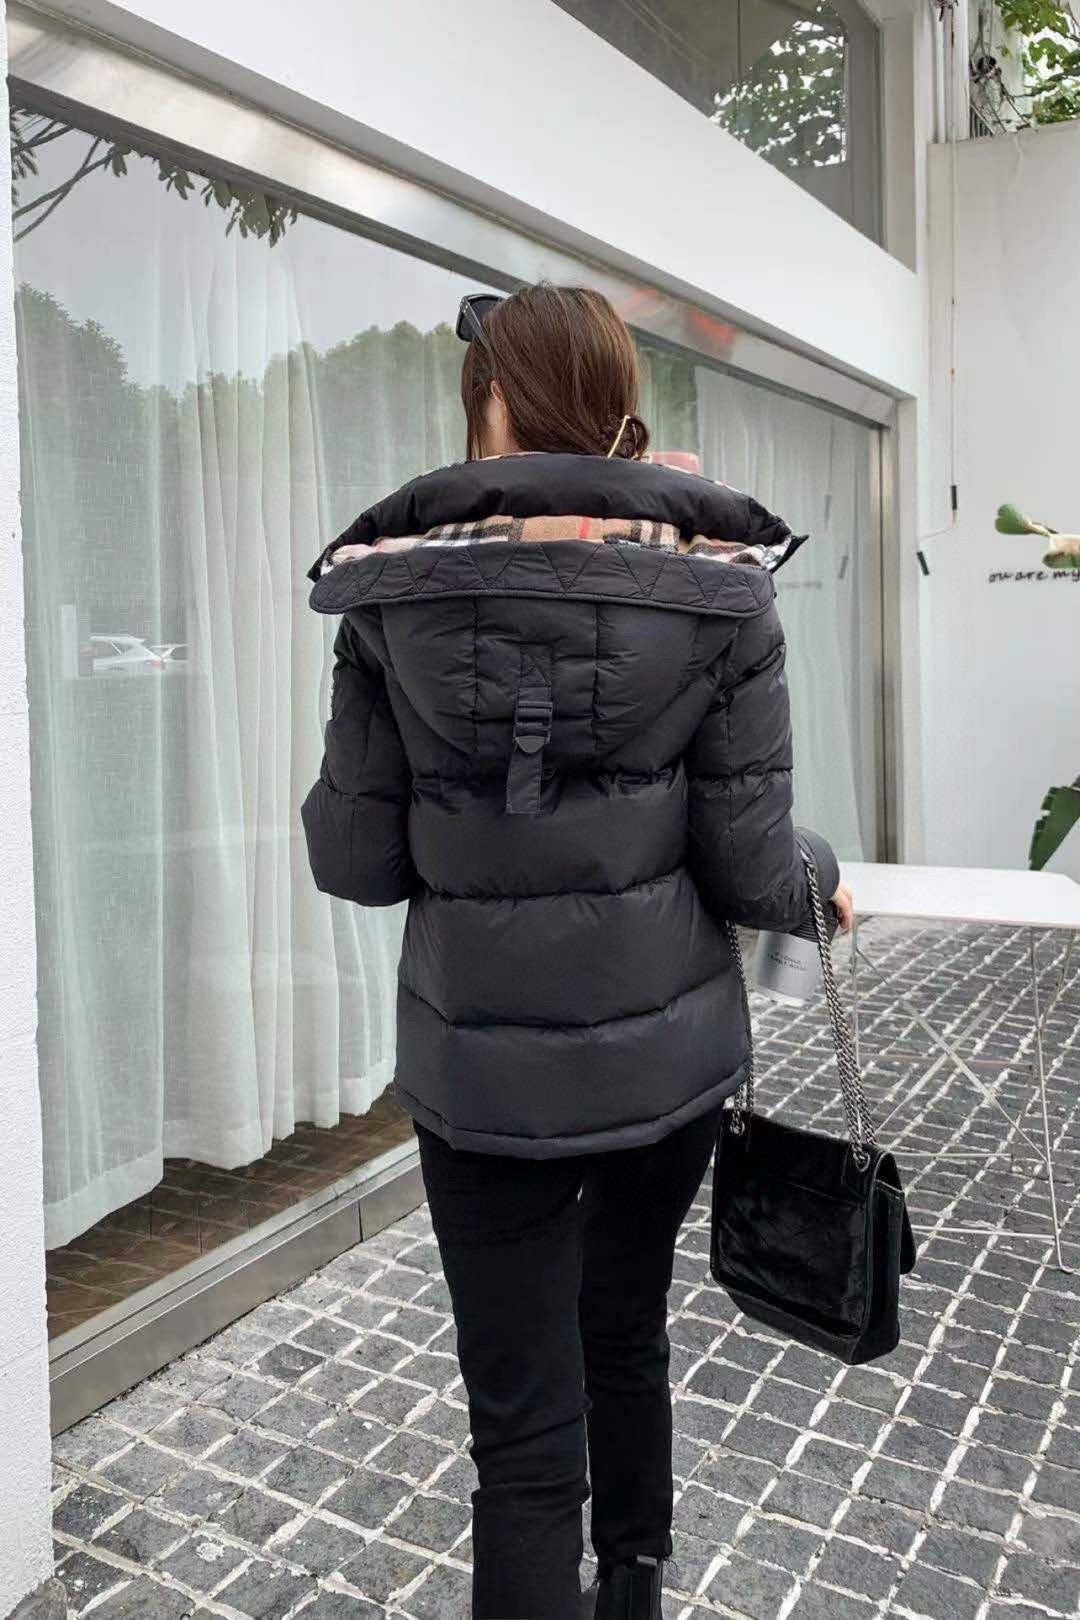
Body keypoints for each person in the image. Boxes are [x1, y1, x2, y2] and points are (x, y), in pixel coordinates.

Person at [302, 283, 854, 1620]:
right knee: (625, 1331)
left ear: (491, 400)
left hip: (481, 1083)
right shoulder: (720, 588)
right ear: (616, 405)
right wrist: (820, 879)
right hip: (661, 1075)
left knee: (520, 1435)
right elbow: (750, 863)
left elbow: (354, 861)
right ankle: (634, 1589)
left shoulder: (391, 596)